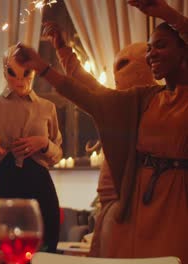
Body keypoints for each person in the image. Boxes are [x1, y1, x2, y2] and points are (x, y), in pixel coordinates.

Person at [14, 0, 188, 261]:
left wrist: (165, 13)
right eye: (149, 48)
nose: (151, 54)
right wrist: (45, 66)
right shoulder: (145, 98)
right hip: (137, 204)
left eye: (161, 46)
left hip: (178, 204)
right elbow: (91, 95)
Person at [41, 21, 158, 257]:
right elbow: (84, 82)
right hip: (112, 210)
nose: (117, 77)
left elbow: (83, 85)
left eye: (124, 67)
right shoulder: (118, 103)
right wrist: (62, 50)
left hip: (134, 210)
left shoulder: (155, 106)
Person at [0, 45, 63, 253]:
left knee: (44, 251)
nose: (20, 81)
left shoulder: (47, 107)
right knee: (3, 250)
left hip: (41, 189)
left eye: (26, 73)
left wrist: (43, 144)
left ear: (33, 71)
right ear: (4, 70)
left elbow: (57, 154)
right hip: (6, 187)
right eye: (12, 73)